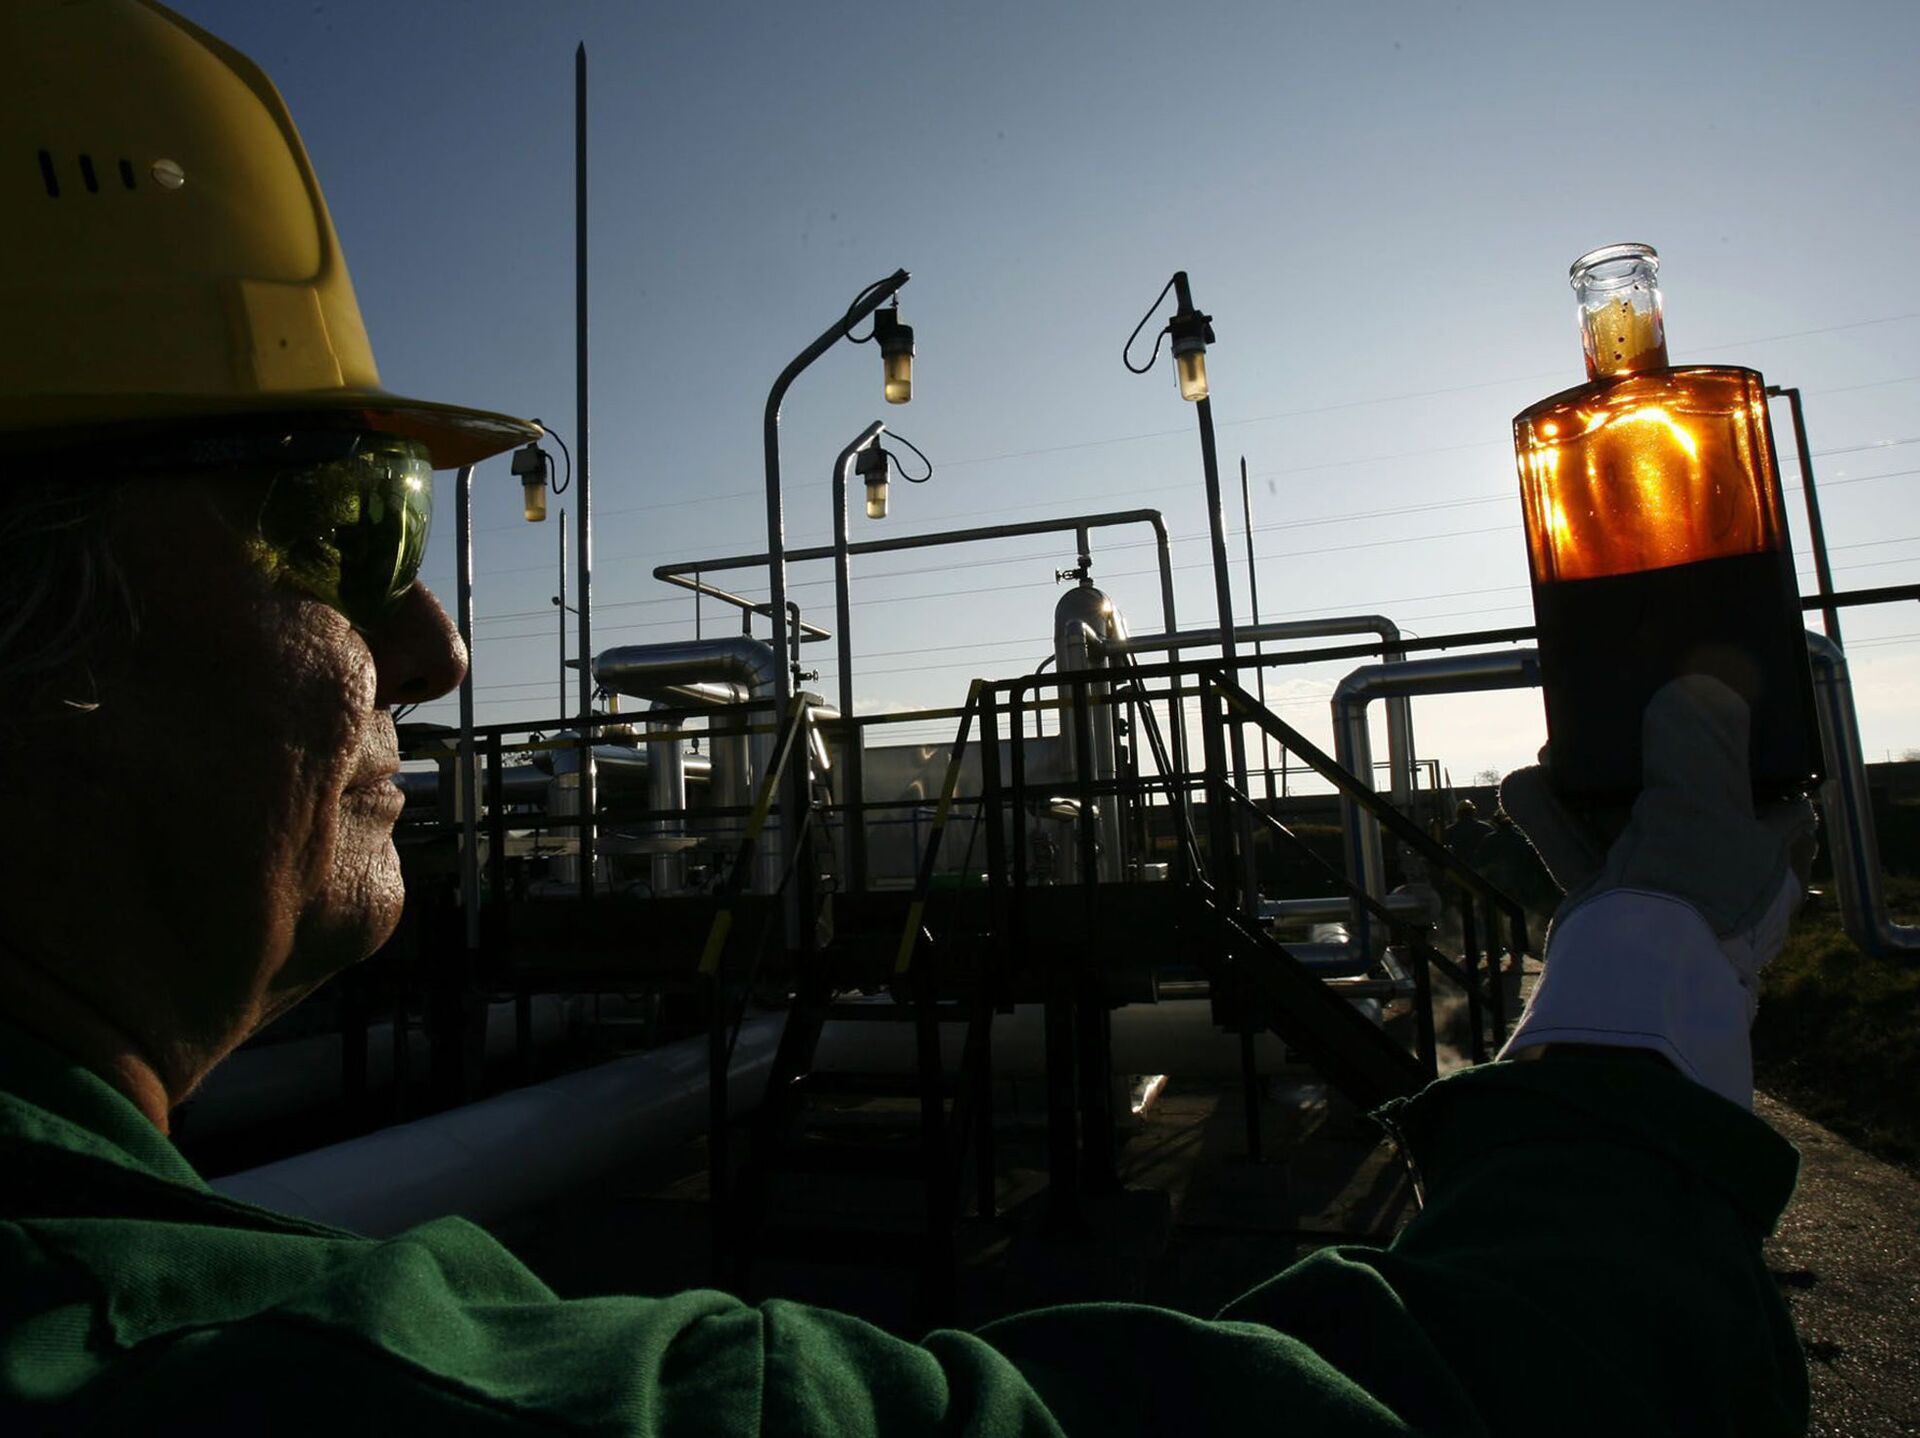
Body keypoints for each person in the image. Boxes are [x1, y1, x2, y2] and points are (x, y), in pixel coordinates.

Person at [2, 3, 1813, 1433]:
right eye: (346, 521)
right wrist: (1649, 974)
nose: (437, 643)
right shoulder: (232, 1376)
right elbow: (1483, 1396)